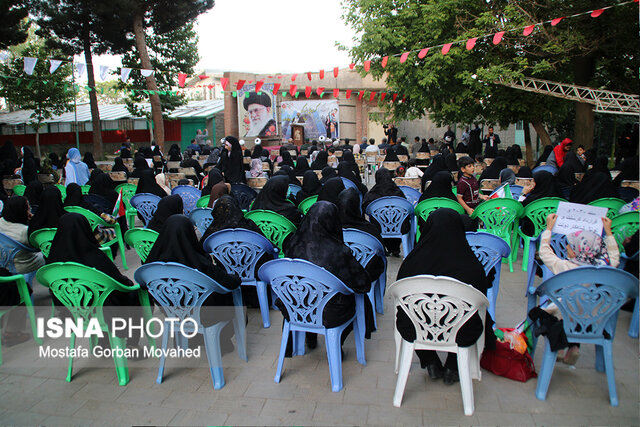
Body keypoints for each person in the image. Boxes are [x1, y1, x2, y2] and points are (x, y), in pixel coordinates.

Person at [395, 208, 495, 384]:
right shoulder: (471, 265)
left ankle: (430, 360)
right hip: (461, 330)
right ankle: (453, 366)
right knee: (473, 316)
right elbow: (482, 294)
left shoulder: (411, 263)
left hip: (417, 328)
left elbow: (399, 296)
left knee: (409, 315)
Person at [283, 201, 374, 351]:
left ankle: (309, 337)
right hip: (329, 312)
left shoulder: (292, 244)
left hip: (295, 307)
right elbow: (362, 283)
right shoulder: (338, 252)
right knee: (358, 299)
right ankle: (337, 344)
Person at [145, 214, 242, 352]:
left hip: (172, 312)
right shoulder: (199, 264)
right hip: (204, 315)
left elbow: (143, 285)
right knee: (228, 298)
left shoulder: (152, 266)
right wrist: (236, 277)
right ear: (189, 234)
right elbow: (229, 283)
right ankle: (222, 342)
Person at [539, 213, 619, 364]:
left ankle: (560, 345)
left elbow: (545, 252)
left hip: (566, 317)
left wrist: (548, 228)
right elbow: (614, 256)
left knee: (551, 313)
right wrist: (609, 232)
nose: (567, 247)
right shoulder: (605, 266)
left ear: (577, 250)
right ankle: (574, 347)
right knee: (580, 308)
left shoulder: (567, 267)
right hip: (595, 320)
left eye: (570, 245)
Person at [362, 168, 407, 257]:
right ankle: (395, 248)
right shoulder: (397, 192)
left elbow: (365, 209)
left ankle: (383, 246)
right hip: (398, 226)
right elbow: (405, 207)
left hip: (379, 227)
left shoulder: (372, 193)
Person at [0, 196, 44, 274]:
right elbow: (37, 246)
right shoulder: (24, 231)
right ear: (22, 210)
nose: (30, 209)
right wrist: (34, 220)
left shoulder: (1, 222)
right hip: (22, 266)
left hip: (3, 261)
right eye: (28, 207)